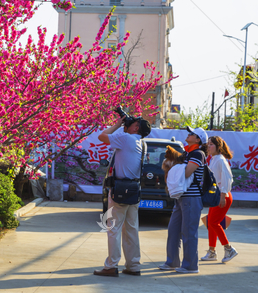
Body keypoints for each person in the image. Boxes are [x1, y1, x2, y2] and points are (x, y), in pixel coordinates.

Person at [93, 114, 152, 277]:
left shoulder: (126, 138)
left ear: (136, 128)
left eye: (131, 124)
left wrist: (118, 125)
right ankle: (133, 265)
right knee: (131, 229)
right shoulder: (142, 143)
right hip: (133, 189)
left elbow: (101, 136)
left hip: (120, 189)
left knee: (113, 228)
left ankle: (111, 265)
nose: (127, 125)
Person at [160, 126, 207, 274]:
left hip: (192, 198)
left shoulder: (197, 154)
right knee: (173, 230)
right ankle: (172, 262)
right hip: (181, 197)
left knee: (188, 232)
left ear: (198, 139)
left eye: (191, 133)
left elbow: (186, 173)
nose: (188, 134)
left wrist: (175, 168)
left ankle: (190, 265)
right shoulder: (187, 154)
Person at [200, 136, 238, 263]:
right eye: (208, 144)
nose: (208, 146)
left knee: (214, 223)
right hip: (216, 195)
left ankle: (229, 248)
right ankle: (212, 251)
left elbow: (227, 179)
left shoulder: (221, 160)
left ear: (218, 147)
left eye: (211, 144)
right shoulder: (214, 159)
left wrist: (222, 196)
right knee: (211, 222)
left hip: (223, 196)